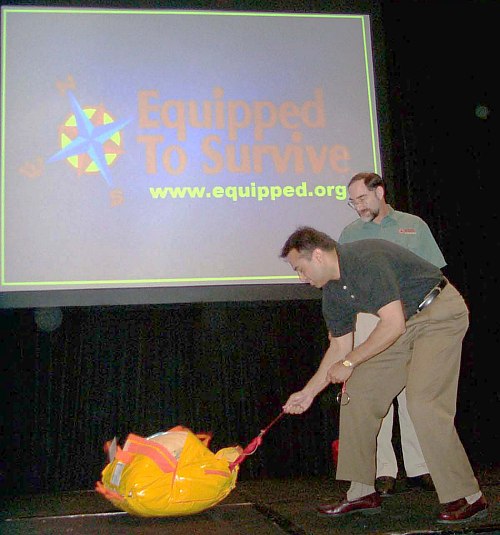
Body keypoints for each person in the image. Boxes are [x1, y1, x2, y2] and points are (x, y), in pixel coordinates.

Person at [280, 226, 487, 523]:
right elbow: (339, 348)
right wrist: (308, 393)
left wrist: (350, 363)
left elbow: (389, 327)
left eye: (301, 269)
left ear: (317, 255)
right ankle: (361, 491)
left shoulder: (366, 258)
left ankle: (468, 495)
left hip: (439, 313)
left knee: (424, 403)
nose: (301, 278)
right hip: (405, 323)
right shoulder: (332, 291)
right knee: (357, 393)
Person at [338, 172, 445, 497]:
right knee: (374, 392)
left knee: (415, 391)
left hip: (415, 318)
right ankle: (383, 471)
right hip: (373, 320)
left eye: (361, 199)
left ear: (380, 192)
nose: (357, 207)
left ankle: (420, 466)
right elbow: (345, 283)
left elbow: (434, 274)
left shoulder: (414, 225)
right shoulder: (350, 233)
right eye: (352, 201)